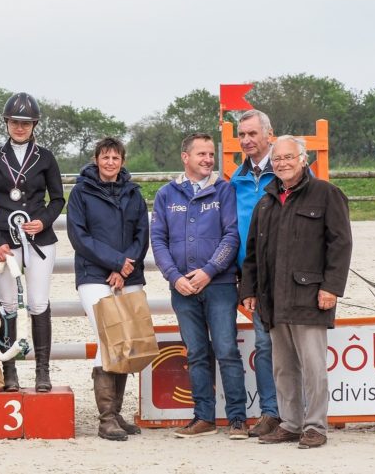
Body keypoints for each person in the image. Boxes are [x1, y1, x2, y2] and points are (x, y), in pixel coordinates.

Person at [240, 136, 352, 449]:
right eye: (277, 159)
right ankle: (290, 423)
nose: (282, 163)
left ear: (303, 159)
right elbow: (252, 252)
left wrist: (331, 287)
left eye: (289, 157)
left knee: (314, 367)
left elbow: (341, 244)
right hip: (272, 299)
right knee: (283, 366)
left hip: (310, 295)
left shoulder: (326, 194)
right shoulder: (267, 199)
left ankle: (315, 427)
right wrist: (249, 289)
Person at [151, 133, 248, 439]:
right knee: (195, 352)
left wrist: (209, 271)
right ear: (185, 157)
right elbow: (158, 240)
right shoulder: (167, 194)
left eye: (210, 154)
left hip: (218, 285)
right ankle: (203, 417)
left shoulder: (224, 191)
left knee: (226, 349)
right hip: (181, 289)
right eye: (201, 154)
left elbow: (231, 235)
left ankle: (237, 419)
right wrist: (174, 276)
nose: (208, 159)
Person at [0, 93, 64, 393]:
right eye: (15, 122)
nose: (20, 128)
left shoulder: (46, 158)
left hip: (39, 238)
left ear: (34, 125)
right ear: (7, 123)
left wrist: (45, 221)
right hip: (4, 240)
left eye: (26, 123)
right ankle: (9, 369)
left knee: (38, 303)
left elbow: (58, 199)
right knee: (8, 304)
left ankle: (42, 370)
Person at [66, 137, 148, 441]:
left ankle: (116, 413)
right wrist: (114, 263)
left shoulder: (134, 193)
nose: (110, 162)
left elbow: (142, 234)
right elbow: (79, 236)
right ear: (96, 159)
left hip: (129, 274)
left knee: (125, 343)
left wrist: (125, 268)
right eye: (105, 157)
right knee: (108, 337)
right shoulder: (80, 193)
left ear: (122, 161)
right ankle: (105, 418)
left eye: (116, 158)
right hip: (93, 275)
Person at [228, 109, 280, 437]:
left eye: (252, 134)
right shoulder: (237, 180)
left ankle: (300, 411)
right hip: (254, 276)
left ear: (268, 135)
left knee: (294, 344)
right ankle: (271, 412)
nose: (246, 140)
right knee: (264, 344)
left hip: (289, 272)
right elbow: (233, 229)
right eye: (242, 135)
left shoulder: (288, 170)